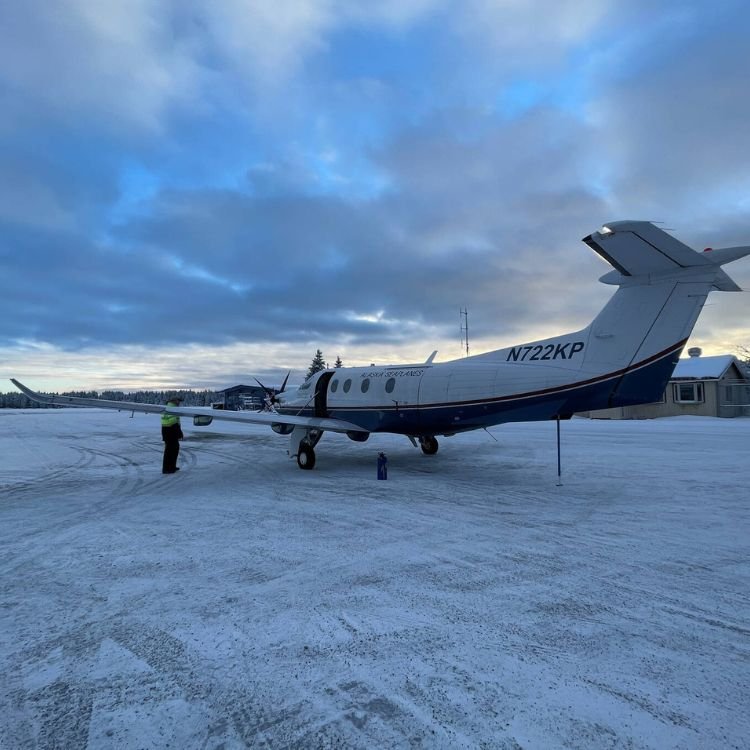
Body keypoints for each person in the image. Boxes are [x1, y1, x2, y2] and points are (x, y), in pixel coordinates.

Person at [161, 396, 184, 474]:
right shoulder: (172, 408)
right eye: (178, 401)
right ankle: (168, 469)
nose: (179, 403)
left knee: (173, 449)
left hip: (168, 430)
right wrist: (179, 432)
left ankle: (171, 467)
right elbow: (173, 422)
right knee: (170, 450)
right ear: (174, 400)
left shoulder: (169, 407)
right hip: (170, 431)